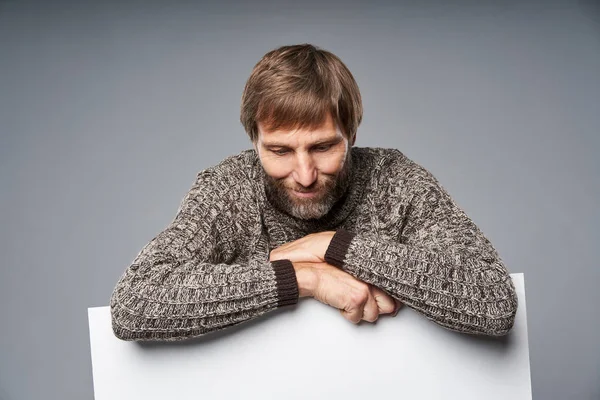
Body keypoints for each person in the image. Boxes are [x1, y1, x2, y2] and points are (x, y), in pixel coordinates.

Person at [110, 43, 518, 341]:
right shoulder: (230, 188)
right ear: (254, 143)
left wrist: (331, 246)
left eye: (323, 147)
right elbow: (134, 304)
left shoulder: (395, 181)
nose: (304, 175)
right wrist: (304, 277)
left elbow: (494, 301)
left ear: (351, 134)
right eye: (279, 151)